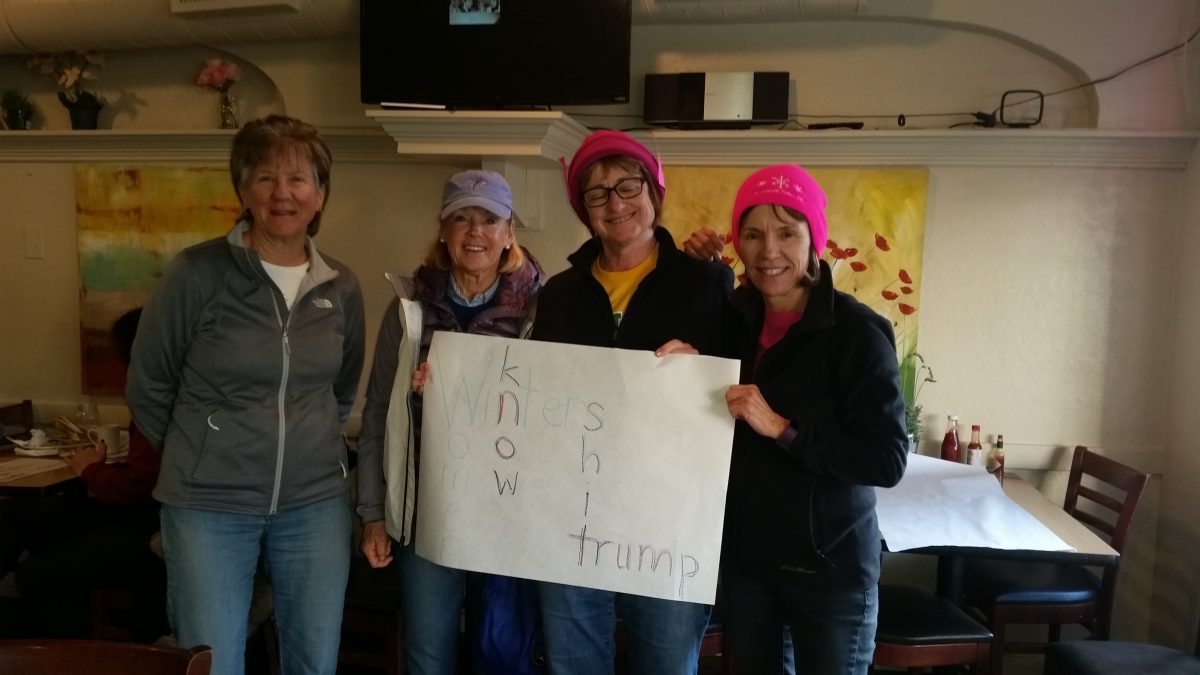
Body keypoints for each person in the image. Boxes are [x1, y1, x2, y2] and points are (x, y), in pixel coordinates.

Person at [126, 115, 365, 675]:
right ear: (243, 191)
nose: (283, 193)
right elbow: (149, 384)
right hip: (208, 505)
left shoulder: (341, 286)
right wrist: (200, 451)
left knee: (314, 662)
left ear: (320, 194)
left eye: (299, 179)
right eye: (265, 178)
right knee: (212, 663)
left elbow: (341, 389)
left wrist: (313, 444)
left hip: (314, 503)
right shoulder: (197, 273)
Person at [678, 164, 908, 674]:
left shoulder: (857, 332)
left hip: (831, 574)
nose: (769, 251)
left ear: (813, 241)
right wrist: (683, 366)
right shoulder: (733, 319)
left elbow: (887, 459)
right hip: (749, 568)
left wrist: (784, 429)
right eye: (753, 234)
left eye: (786, 233)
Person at [529, 130, 733, 675]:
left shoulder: (706, 283)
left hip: (670, 519)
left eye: (628, 185)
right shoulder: (558, 294)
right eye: (597, 193)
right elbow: (537, 395)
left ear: (653, 192)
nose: (615, 203)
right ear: (584, 209)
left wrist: (702, 368)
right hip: (572, 513)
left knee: (666, 664)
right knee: (573, 664)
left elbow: (739, 392)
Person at [355, 169, 544, 675]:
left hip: (506, 512)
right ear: (443, 229)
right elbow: (377, 414)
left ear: (510, 232)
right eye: (461, 218)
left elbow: (552, 412)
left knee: (502, 656)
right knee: (427, 655)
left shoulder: (541, 306)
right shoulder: (409, 308)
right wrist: (373, 513)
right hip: (426, 510)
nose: (475, 231)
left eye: (490, 219)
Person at [1, 308, 167, 642]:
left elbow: (137, 489)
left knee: (37, 572)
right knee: (23, 518)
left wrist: (90, 468)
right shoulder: (165, 395)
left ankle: (84, 654)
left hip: (156, 532)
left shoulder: (158, 401)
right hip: (153, 518)